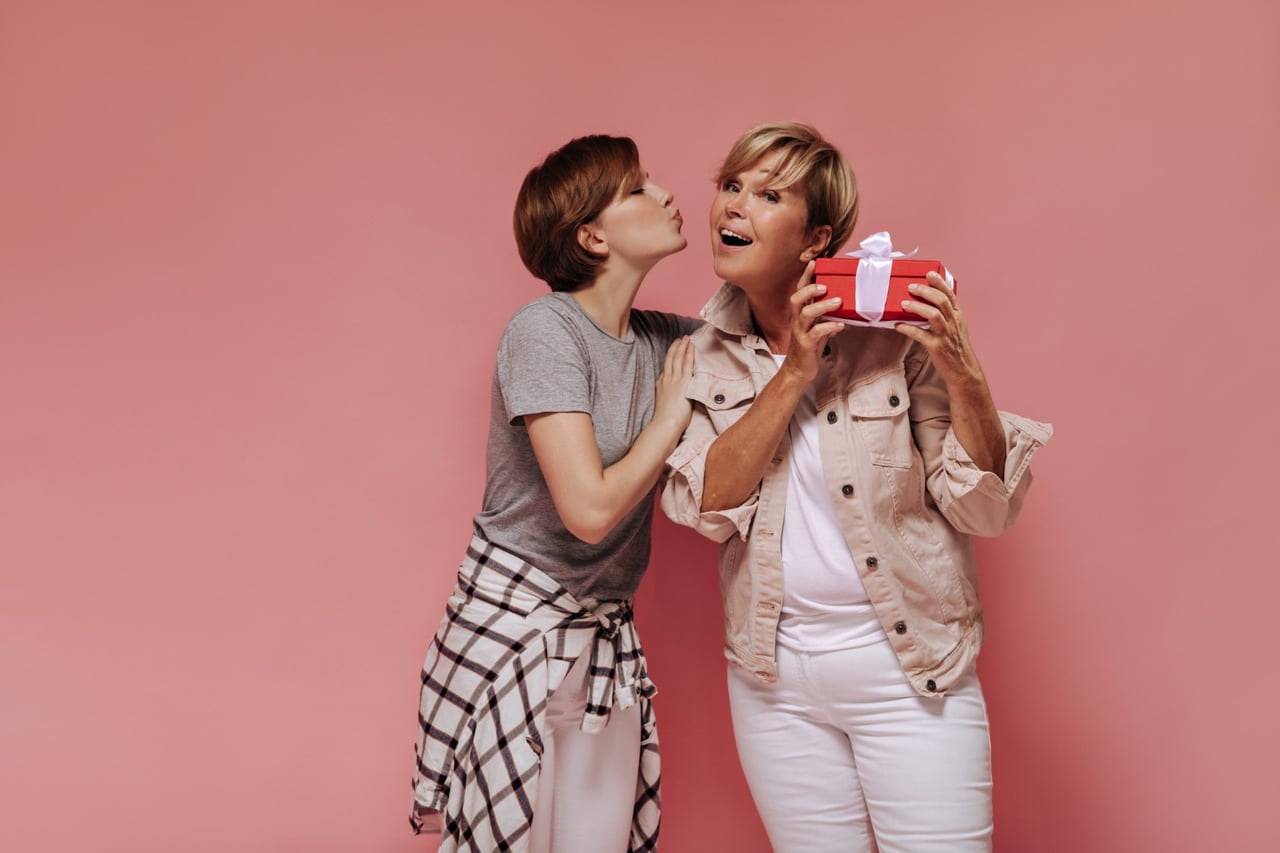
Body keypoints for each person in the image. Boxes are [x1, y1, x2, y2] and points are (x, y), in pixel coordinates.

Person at [660, 121, 1053, 852]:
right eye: (731, 186)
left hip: (909, 672)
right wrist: (793, 375)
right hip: (773, 682)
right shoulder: (701, 354)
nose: (732, 207)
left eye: (766, 193)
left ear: (816, 238)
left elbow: (983, 507)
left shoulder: (893, 337)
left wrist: (962, 365)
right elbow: (705, 508)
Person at [411, 134, 698, 853]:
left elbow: (774, 344)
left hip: (603, 642)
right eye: (637, 188)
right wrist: (669, 420)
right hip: (515, 629)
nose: (664, 194)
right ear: (592, 235)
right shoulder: (544, 331)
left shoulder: (667, 342)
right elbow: (591, 510)